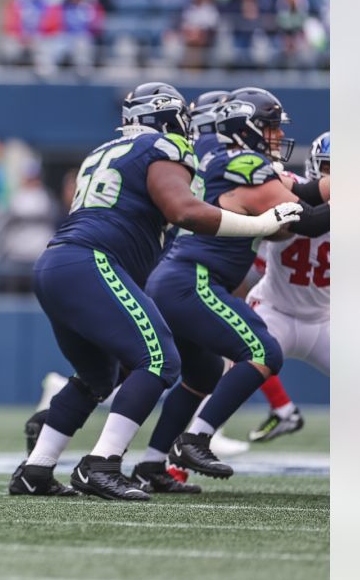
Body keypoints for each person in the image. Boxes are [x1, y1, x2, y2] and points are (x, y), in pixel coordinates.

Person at [9, 82, 301, 501]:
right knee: (160, 359)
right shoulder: (162, 148)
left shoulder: (105, 151)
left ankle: (35, 471)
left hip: (58, 261)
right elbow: (183, 210)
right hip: (91, 260)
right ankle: (102, 464)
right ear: (171, 118)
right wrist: (259, 224)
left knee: (97, 376)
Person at [134, 89, 329, 486]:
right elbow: (306, 218)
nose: (277, 136)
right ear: (247, 129)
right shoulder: (247, 166)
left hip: (185, 278)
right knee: (257, 352)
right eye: (271, 127)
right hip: (213, 284)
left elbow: (306, 197)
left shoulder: (226, 160)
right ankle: (193, 441)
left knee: (200, 375)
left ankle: (153, 464)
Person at [246, 131, 330, 442]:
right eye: (329, 168)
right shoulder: (283, 185)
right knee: (231, 356)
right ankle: (175, 462)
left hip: (324, 317)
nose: (334, 177)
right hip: (274, 304)